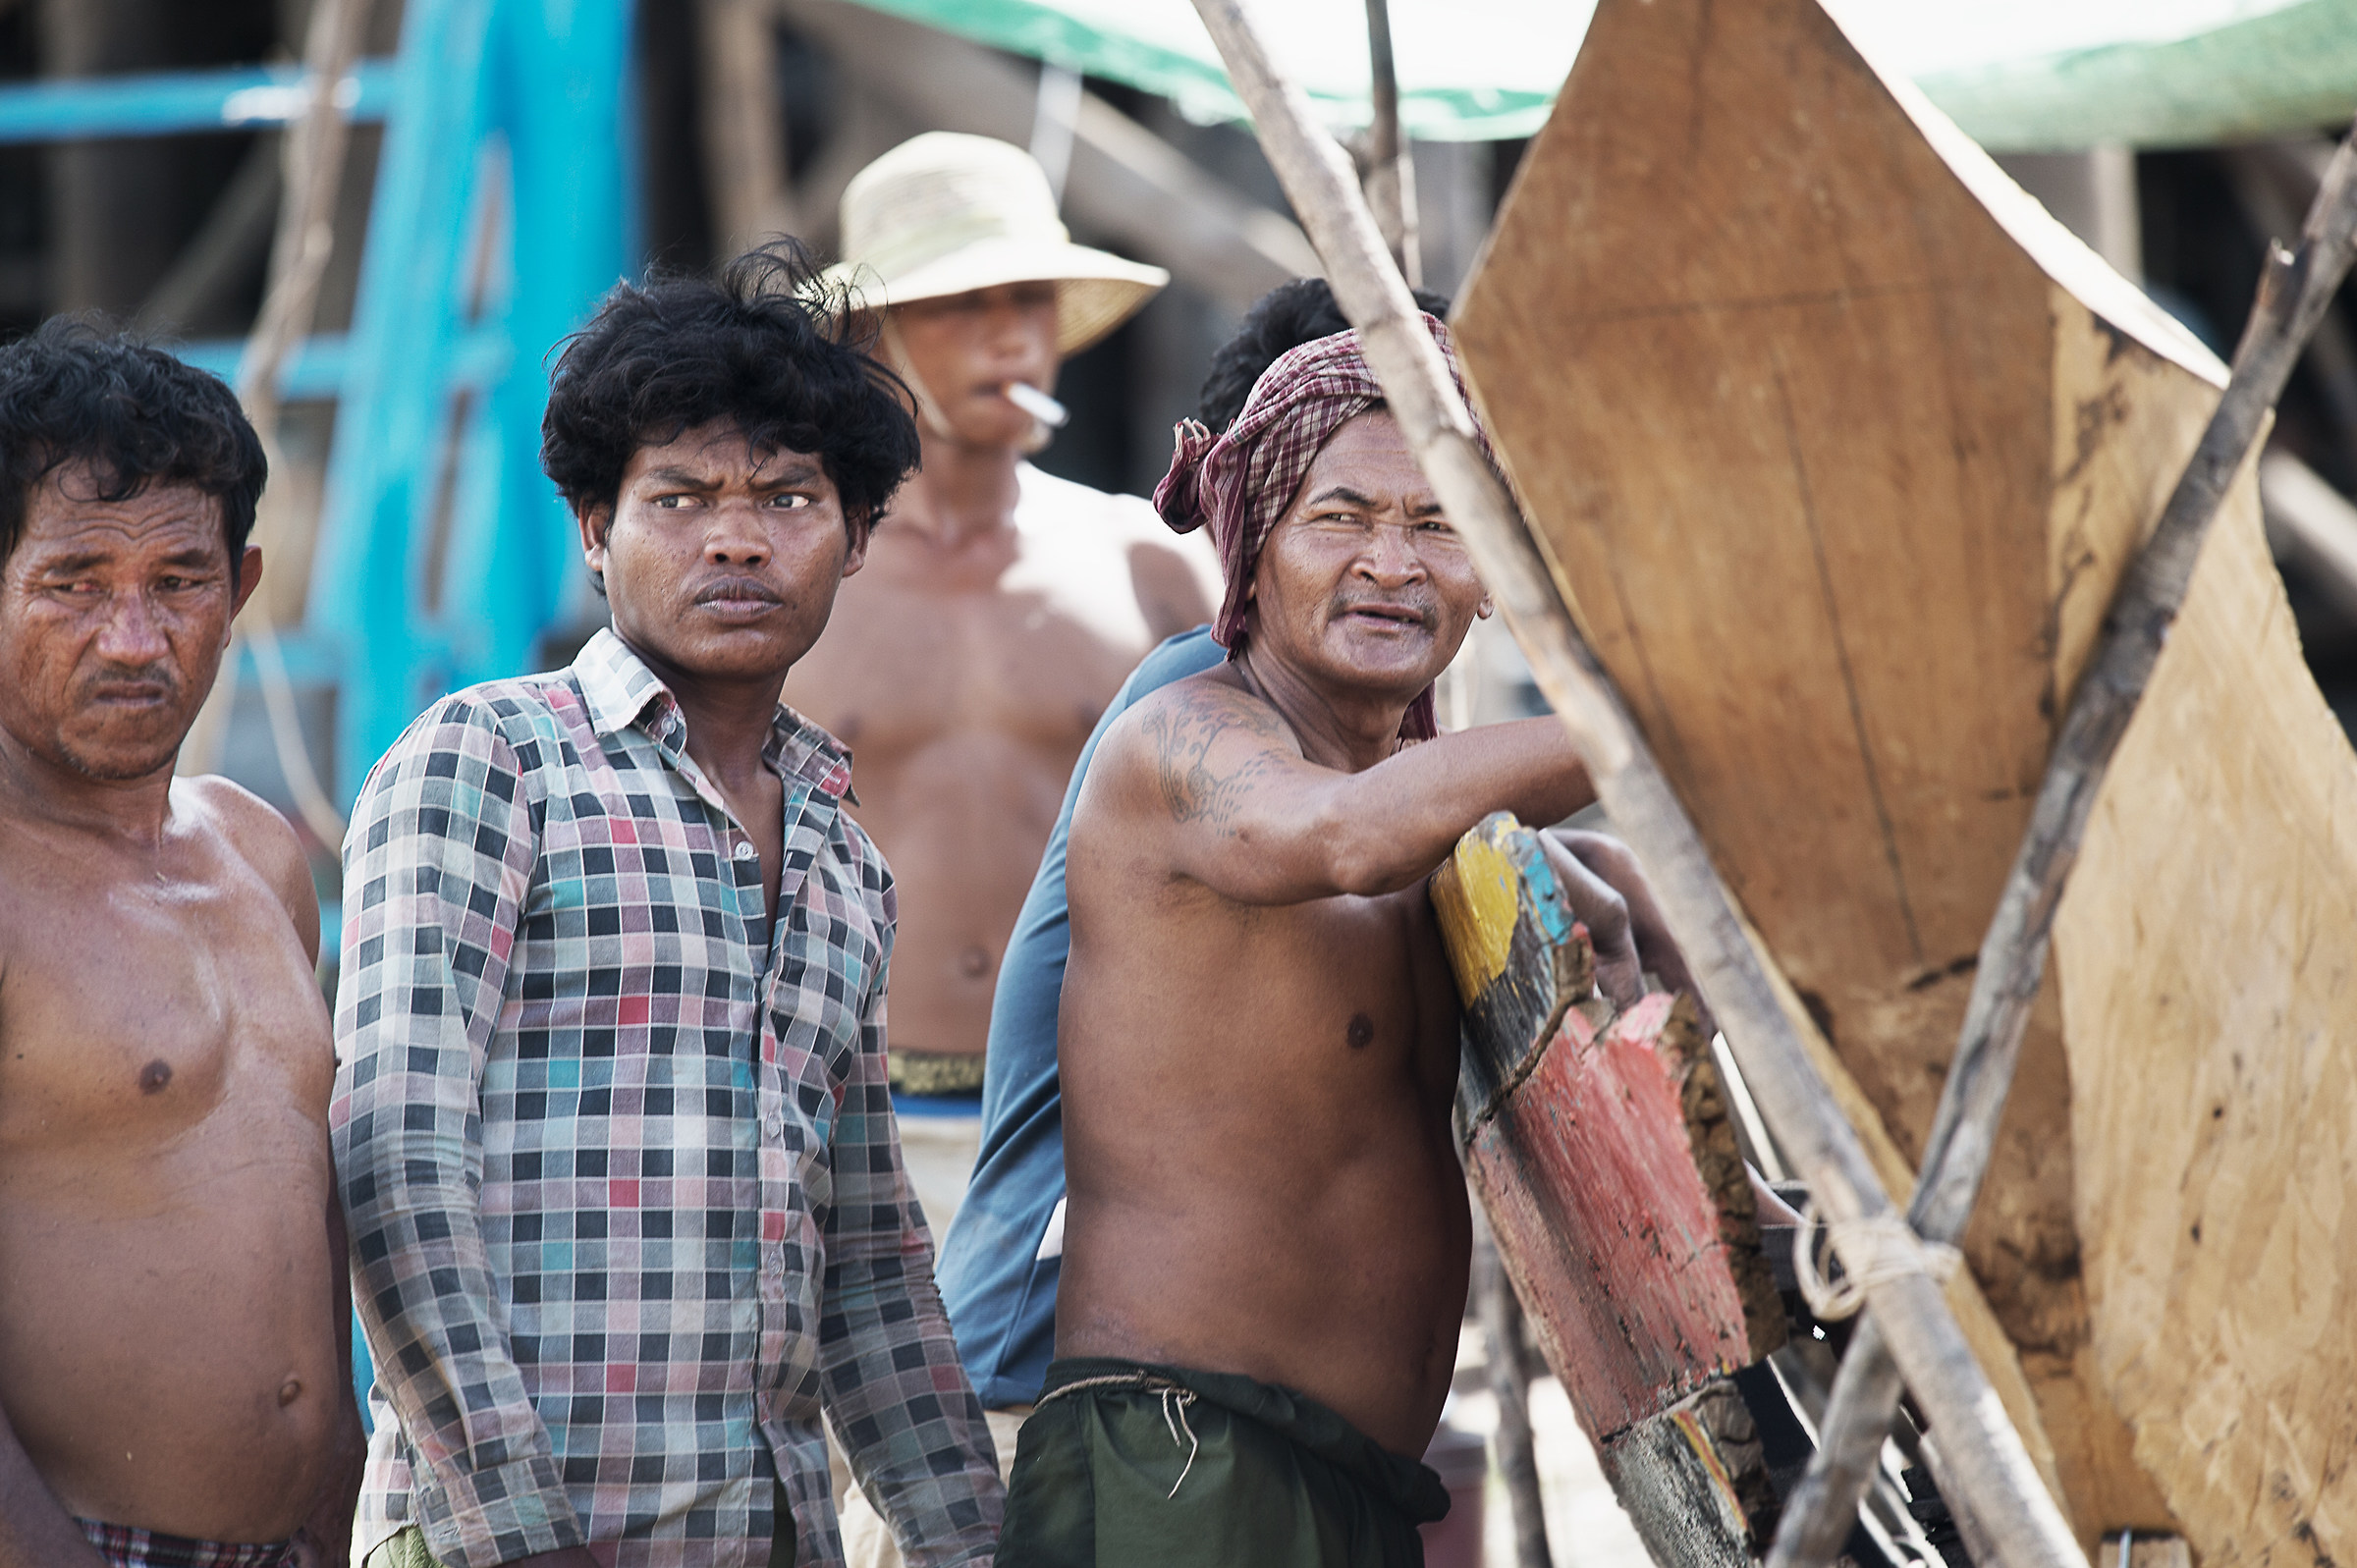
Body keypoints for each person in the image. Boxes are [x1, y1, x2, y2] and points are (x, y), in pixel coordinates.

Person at [331, 248, 1002, 1568]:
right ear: (595, 529)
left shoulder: (841, 857)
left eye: (790, 497)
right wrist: (518, 1531)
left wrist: (973, 1539)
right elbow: (397, 1162)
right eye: (679, 498)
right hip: (506, 1539)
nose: (737, 536)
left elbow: (869, 1263)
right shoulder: (491, 762)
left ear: (858, 535)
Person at [934, 278, 1691, 1424]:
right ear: (1254, 534)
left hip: (1309, 1460)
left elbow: (1545, 868)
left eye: (1437, 519)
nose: (1391, 560)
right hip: (1078, 1404)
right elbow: (1350, 837)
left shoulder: (1378, 746)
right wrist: (1670, 718)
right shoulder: (1194, 713)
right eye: (1342, 512)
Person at [785, 133, 1217, 1242]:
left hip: (1102, 1126)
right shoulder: (788, 576)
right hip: (843, 1129)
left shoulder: (1151, 564)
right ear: (870, 332)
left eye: (1031, 299)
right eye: (963, 303)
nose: (1011, 336)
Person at [0, 321, 362, 1568]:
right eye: (74, 582)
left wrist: (337, 1495)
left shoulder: (256, 848)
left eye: (179, 581)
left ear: (243, 587)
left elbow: (302, 1201)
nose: (134, 640)